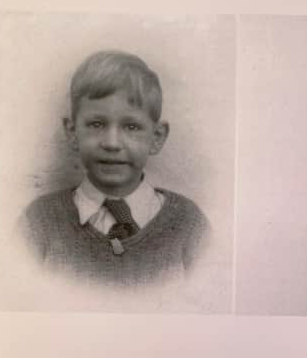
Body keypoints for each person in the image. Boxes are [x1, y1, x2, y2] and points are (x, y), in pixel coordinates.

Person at [18, 50, 208, 286]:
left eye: (131, 127)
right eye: (96, 124)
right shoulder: (38, 223)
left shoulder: (189, 225)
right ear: (72, 131)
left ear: (157, 137)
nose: (112, 143)